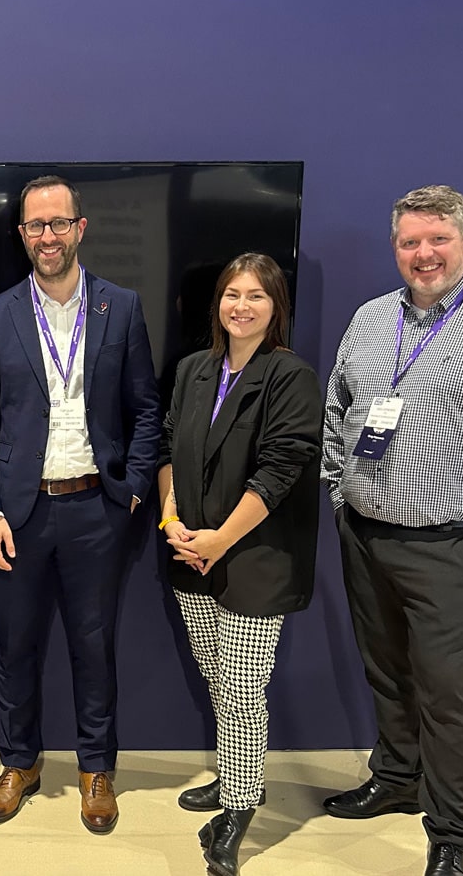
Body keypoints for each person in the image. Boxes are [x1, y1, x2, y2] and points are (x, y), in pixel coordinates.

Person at [321, 186, 463, 876]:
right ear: (396, 247)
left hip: (451, 546)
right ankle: (396, 777)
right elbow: (339, 407)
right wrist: (340, 493)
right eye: (409, 242)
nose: (423, 254)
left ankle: (452, 825)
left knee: (446, 691)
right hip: (365, 535)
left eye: (437, 240)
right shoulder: (370, 320)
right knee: (387, 672)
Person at [0, 175, 160, 833]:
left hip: (96, 510)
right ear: (21, 235)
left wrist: (131, 488)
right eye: (34, 226)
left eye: (58, 223)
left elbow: (145, 408)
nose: (47, 236)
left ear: (81, 227)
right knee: (14, 646)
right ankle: (19, 762)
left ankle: (95, 768)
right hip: (16, 515)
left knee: (93, 644)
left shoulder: (122, 307)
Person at [157, 253, 321, 876]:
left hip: (252, 558)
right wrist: (174, 523)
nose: (241, 306)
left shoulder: (290, 376)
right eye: (232, 294)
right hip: (190, 553)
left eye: (257, 295)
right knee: (218, 679)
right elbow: (169, 447)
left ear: (276, 307)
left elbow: (280, 471)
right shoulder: (194, 370)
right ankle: (231, 779)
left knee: (244, 692)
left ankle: (239, 811)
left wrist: (219, 539)